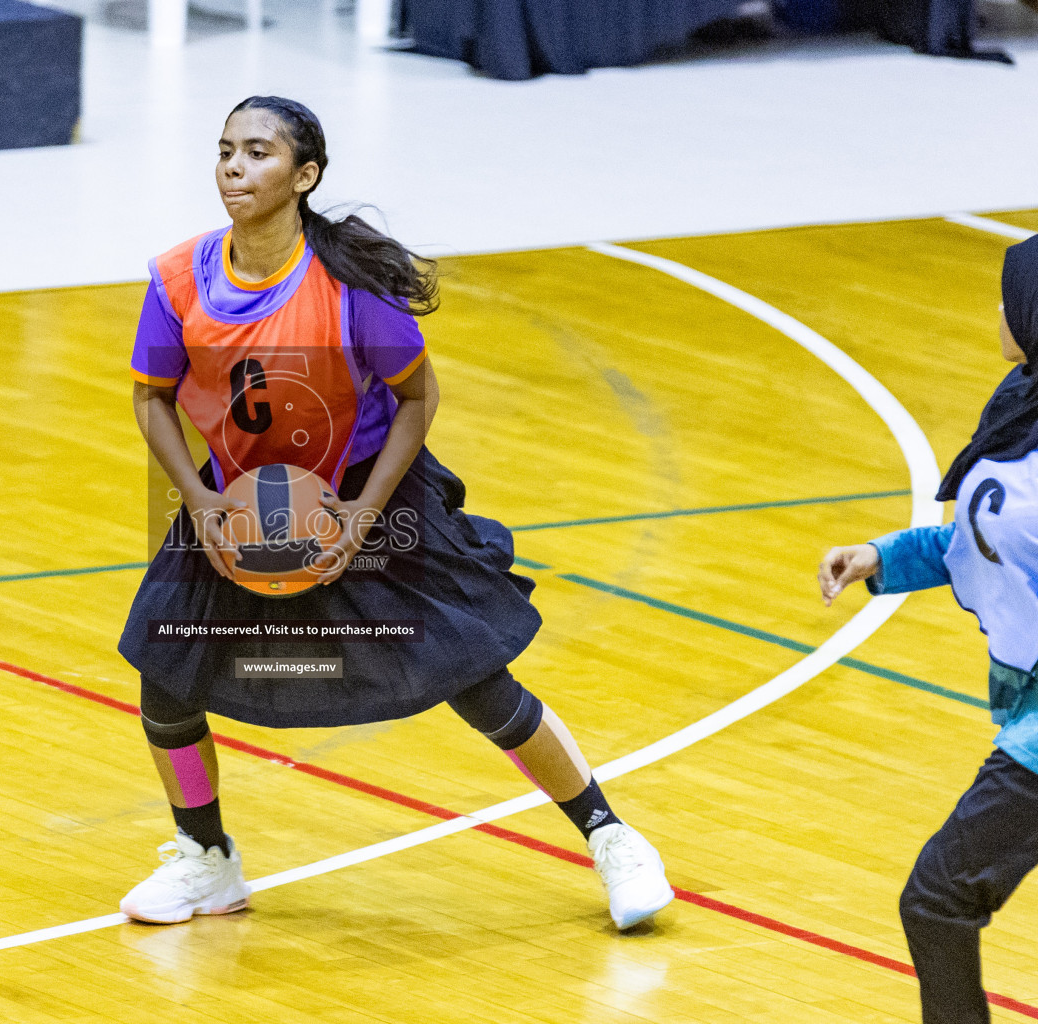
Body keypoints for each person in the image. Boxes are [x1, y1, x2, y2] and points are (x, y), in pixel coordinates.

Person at [117, 95, 673, 931]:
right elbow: (150, 397)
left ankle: (611, 835)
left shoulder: (347, 288)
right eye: (226, 151)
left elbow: (419, 396)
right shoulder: (174, 278)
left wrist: (361, 518)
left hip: (370, 488)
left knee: (475, 678)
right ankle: (207, 859)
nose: (234, 167)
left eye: (258, 153)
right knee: (165, 676)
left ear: (304, 177)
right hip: (240, 500)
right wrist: (197, 501)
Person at [818, 229, 1038, 1024]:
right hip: (1034, 716)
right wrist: (885, 559)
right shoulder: (1028, 400)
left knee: (938, 900)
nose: (999, 307)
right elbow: (977, 541)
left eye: (1012, 296)